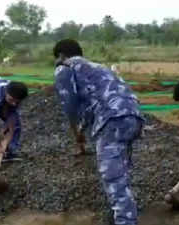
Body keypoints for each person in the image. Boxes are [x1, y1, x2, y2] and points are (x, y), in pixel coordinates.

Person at [53, 39, 144, 225]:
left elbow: (69, 106)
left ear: (61, 55)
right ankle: (121, 213)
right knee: (121, 169)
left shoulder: (65, 68)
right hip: (134, 116)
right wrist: (83, 129)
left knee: (112, 175)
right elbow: (91, 103)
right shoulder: (98, 67)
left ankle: (126, 220)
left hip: (112, 119)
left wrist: (76, 134)